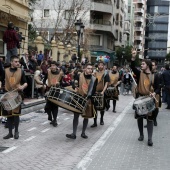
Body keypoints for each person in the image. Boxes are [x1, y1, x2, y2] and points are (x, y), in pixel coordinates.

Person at [130, 48, 159, 146]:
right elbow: (132, 67)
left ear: (148, 65)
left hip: (150, 100)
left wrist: (154, 93)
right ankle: (141, 135)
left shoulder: (155, 76)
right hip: (140, 98)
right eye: (141, 64)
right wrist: (133, 57)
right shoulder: (139, 74)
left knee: (149, 119)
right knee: (140, 118)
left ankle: (150, 139)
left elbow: (158, 88)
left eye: (143, 64)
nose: (141, 65)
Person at [66, 63, 97, 139]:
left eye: (91, 69)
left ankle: (83, 133)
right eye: (88, 68)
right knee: (75, 116)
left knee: (86, 117)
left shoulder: (94, 79)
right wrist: (74, 86)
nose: (90, 70)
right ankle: (74, 134)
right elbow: (74, 83)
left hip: (88, 99)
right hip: (78, 98)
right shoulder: (79, 75)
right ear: (85, 69)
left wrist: (89, 96)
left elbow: (93, 90)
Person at [0, 55, 27, 139]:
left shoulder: (21, 71)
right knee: (9, 114)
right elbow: (0, 80)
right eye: (15, 61)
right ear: (11, 62)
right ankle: (10, 133)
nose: (17, 63)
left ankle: (16, 132)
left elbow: (25, 82)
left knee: (16, 114)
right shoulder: (5, 71)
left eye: (18, 62)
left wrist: (22, 87)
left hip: (17, 95)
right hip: (7, 95)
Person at [43, 61, 63, 127]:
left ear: (56, 66)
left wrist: (59, 84)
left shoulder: (60, 73)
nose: (52, 67)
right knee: (47, 107)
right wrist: (44, 84)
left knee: (55, 106)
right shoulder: (48, 72)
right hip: (49, 90)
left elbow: (62, 83)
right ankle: (50, 115)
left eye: (54, 65)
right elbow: (44, 80)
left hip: (56, 91)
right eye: (51, 65)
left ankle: (55, 120)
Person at [91, 61, 110, 127]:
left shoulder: (106, 74)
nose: (100, 66)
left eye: (102, 65)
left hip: (102, 92)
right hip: (95, 92)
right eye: (99, 65)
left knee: (102, 107)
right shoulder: (95, 73)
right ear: (98, 66)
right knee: (94, 108)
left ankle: (101, 119)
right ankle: (95, 122)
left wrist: (103, 91)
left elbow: (106, 84)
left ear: (104, 66)